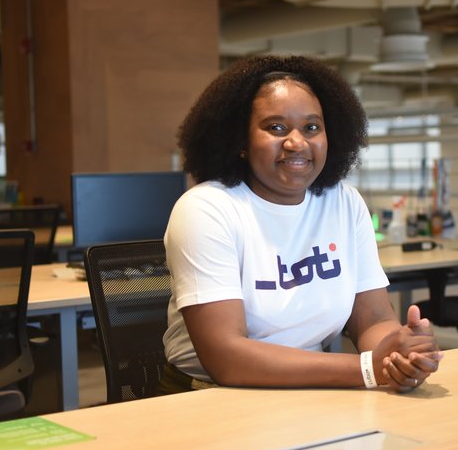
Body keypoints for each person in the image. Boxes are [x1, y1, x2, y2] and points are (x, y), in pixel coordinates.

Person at [160, 55, 443, 395]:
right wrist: (367, 368)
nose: (297, 142)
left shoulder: (344, 202)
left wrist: (398, 355)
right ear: (240, 142)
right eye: (276, 127)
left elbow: (374, 319)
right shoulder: (207, 209)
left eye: (311, 127)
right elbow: (226, 358)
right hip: (210, 396)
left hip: (312, 388)